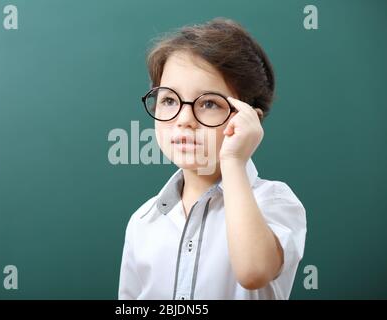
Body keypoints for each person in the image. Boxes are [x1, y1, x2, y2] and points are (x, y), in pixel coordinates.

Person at [118, 18, 307, 300]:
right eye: (169, 100)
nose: (183, 120)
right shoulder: (143, 222)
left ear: (249, 120)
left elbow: (253, 272)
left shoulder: (274, 202)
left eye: (208, 103)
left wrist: (233, 160)